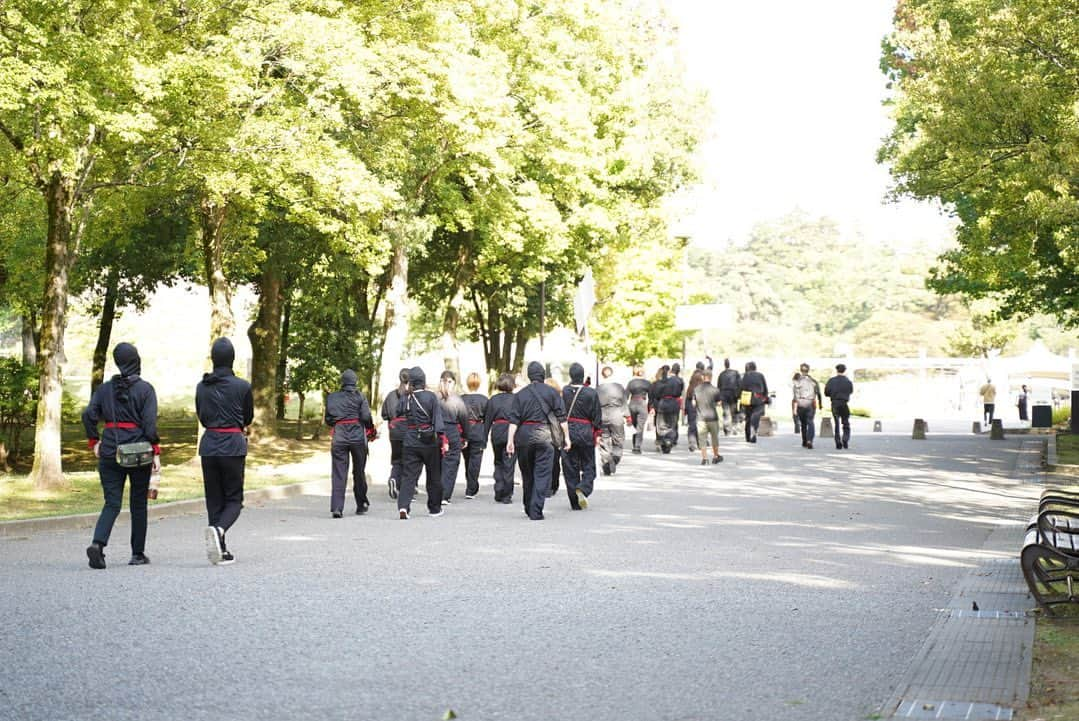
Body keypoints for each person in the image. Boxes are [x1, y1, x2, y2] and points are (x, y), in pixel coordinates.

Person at [82, 342, 161, 569]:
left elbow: (88, 415)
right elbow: (149, 426)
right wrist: (155, 451)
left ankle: (98, 544)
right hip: (138, 454)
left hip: (109, 450)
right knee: (138, 503)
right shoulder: (146, 390)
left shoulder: (104, 389)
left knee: (112, 503)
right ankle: (137, 554)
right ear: (136, 360)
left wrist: (93, 441)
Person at [196, 337, 254, 565]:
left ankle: (220, 548)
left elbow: (201, 415)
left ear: (213, 359)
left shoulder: (202, 386)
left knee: (214, 499)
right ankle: (219, 531)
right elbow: (248, 417)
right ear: (232, 359)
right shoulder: (242, 386)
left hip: (209, 444)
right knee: (234, 499)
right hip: (232, 444)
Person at [506, 362, 569, 520]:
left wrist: (510, 440)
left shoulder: (520, 395)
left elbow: (514, 420)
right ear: (542, 375)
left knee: (527, 474)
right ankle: (536, 510)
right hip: (545, 435)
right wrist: (566, 438)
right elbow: (562, 418)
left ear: (529, 375)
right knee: (542, 474)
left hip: (524, 436)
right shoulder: (552, 392)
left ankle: (528, 505)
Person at [324, 369, 376, 518]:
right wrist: (371, 429)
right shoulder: (360, 397)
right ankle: (361, 504)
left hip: (339, 437)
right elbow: (366, 416)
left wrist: (339, 422)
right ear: (355, 382)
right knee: (359, 471)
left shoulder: (332, 398)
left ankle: (337, 507)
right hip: (357, 437)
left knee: (339, 472)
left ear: (342, 382)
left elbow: (328, 419)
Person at [397, 366, 445, 518]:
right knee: (433, 475)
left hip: (410, 440)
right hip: (429, 441)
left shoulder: (406, 397)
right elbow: (437, 419)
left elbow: (397, 411)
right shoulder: (431, 397)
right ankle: (434, 508)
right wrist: (442, 438)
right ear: (423, 381)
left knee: (409, 476)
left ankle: (404, 506)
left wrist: (405, 390)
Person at [562, 362, 601, 510]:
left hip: (568, 431)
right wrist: (597, 432)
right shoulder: (591, 393)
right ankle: (584, 488)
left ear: (570, 376)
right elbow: (597, 415)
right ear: (583, 375)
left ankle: (574, 502)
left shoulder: (565, 391)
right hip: (585, 431)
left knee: (569, 467)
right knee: (589, 465)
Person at [437, 370, 469, 504]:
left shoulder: (434, 398)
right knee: (451, 464)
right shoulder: (457, 400)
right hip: (452, 431)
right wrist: (465, 437)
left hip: (436, 432)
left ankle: (435, 492)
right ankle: (444, 495)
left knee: (436, 463)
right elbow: (464, 420)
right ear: (453, 383)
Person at [485, 373, 517, 503]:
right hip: (511, 431)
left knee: (498, 461)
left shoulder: (493, 399)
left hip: (497, 431)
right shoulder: (516, 399)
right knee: (509, 463)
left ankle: (499, 489)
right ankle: (507, 494)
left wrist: (484, 438)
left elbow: (487, 420)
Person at [380, 368, 410, 499]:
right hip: (408, 430)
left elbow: (384, 414)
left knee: (396, 459)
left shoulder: (391, 395)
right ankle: (404, 485)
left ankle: (393, 478)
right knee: (408, 459)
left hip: (394, 431)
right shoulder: (411, 395)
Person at [460, 372, 489, 500]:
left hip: (464, 431)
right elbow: (487, 418)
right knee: (475, 460)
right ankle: (471, 488)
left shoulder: (461, 399)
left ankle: (470, 484)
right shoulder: (484, 400)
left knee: (467, 460)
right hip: (478, 430)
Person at [597, 365, 627, 475]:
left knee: (604, 440)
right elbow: (624, 401)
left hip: (602, 415)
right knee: (618, 439)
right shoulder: (619, 387)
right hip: (616, 414)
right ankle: (615, 458)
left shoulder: (599, 388)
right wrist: (627, 415)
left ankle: (606, 461)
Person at [693, 370, 723, 465]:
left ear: (703, 377)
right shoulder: (715, 390)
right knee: (714, 437)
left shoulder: (696, 389)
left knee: (702, 438)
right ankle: (715, 456)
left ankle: (705, 458)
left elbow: (693, 403)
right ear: (711, 377)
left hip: (701, 417)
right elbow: (719, 403)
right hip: (712, 417)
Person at [792, 362, 823, 450]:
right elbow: (819, 393)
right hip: (810, 403)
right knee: (810, 422)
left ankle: (804, 441)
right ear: (808, 370)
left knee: (803, 424)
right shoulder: (813, 381)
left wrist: (795, 405)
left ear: (801, 370)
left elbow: (794, 395)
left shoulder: (797, 381)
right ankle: (810, 440)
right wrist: (820, 404)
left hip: (801, 404)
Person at [824, 363, 854, 449]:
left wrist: (833, 394)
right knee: (846, 422)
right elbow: (851, 391)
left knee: (836, 423)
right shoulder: (848, 381)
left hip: (835, 403)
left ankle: (838, 442)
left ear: (836, 370)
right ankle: (845, 438)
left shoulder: (831, 381)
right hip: (844, 403)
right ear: (845, 370)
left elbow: (826, 393)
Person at [739, 361, 769, 443]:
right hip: (759, 398)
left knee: (748, 417)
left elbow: (741, 388)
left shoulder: (745, 376)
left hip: (747, 399)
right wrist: (765, 398)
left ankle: (748, 436)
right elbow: (765, 388)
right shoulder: (760, 375)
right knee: (755, 417)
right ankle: (753, 432)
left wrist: (739, 398)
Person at [545, 376, 564, 495]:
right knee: (555, 461)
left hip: (544, 432)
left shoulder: (542, 400)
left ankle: (547, 485)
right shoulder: (560, 400)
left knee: (545, 461)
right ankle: (553, 485)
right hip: (556, 434)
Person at [625, 367, 651, 455]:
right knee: (640, 427)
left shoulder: (631, 383)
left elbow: (626, 395)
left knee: (634, 425)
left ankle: (634, 444)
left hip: (632, 404)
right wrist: (651, 408)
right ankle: (637, 446)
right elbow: (651, 396)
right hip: (642, 404)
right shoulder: (647, 383)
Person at [716, 358, 741, 437]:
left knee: (726, 412)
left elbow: (718, 387)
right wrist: (739, 395)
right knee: (734, 411)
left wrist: (719, 398)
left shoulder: (721, 374)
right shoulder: (736, 373)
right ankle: (735, 428)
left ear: (724, 365)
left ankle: (727, 430)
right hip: (733, 394)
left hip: (724, 395)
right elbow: (739, 384)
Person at [684, 365, 705, 453]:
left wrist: (685, 410)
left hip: (690, 407)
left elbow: (686, 399)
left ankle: (692, 443)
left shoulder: (690, 388)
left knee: (692, 425)